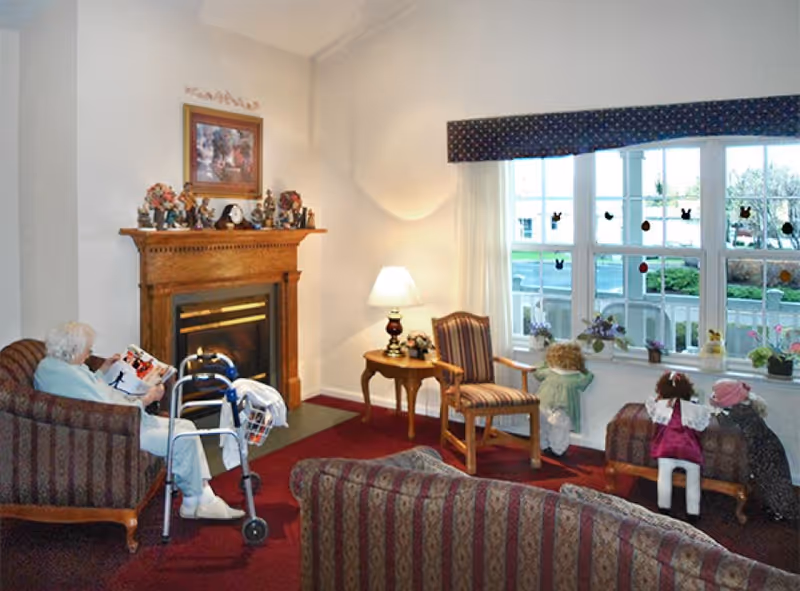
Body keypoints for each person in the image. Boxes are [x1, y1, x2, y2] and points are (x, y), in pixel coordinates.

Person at [34, 322, 245, 520]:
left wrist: (104, 370)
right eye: (87, 350)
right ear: (73, 350)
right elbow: (103, 408)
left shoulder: (59, 367)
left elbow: (90, 392)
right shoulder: (66, 375)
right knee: (182, 437)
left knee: (187, 426)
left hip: (124, 420)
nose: (89, 354)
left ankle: (196, 499)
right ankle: (200, 501)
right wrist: (146, 398)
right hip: (121, 429)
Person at [710, 379, 799, 522]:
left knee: (771, 482)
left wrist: (716, 413)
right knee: (772, 481)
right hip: (769, 446)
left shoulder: (739, 411)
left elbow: (726, 424)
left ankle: (782, 511)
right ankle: (779, 508)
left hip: (763, 451)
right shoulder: (745, 406)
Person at [645, 371, 711, 523]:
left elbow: (651, 410)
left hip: (666, 449)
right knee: (693, 482)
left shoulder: (660, 406)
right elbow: (702, 425)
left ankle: (664, 508)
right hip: (690, 450)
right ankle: (693, 512)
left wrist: (660, 399)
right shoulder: (694, 408)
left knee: (664, 478)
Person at [532, 342, 594, 456]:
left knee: (543, 426)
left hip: (543, 403)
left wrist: (545, 363)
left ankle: (544, 445)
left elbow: (537, 371)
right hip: (562, 407)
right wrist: (584, 371)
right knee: (560, 428)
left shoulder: (550, 371)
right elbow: (587, 379)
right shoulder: (576, 376)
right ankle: (557, 449)